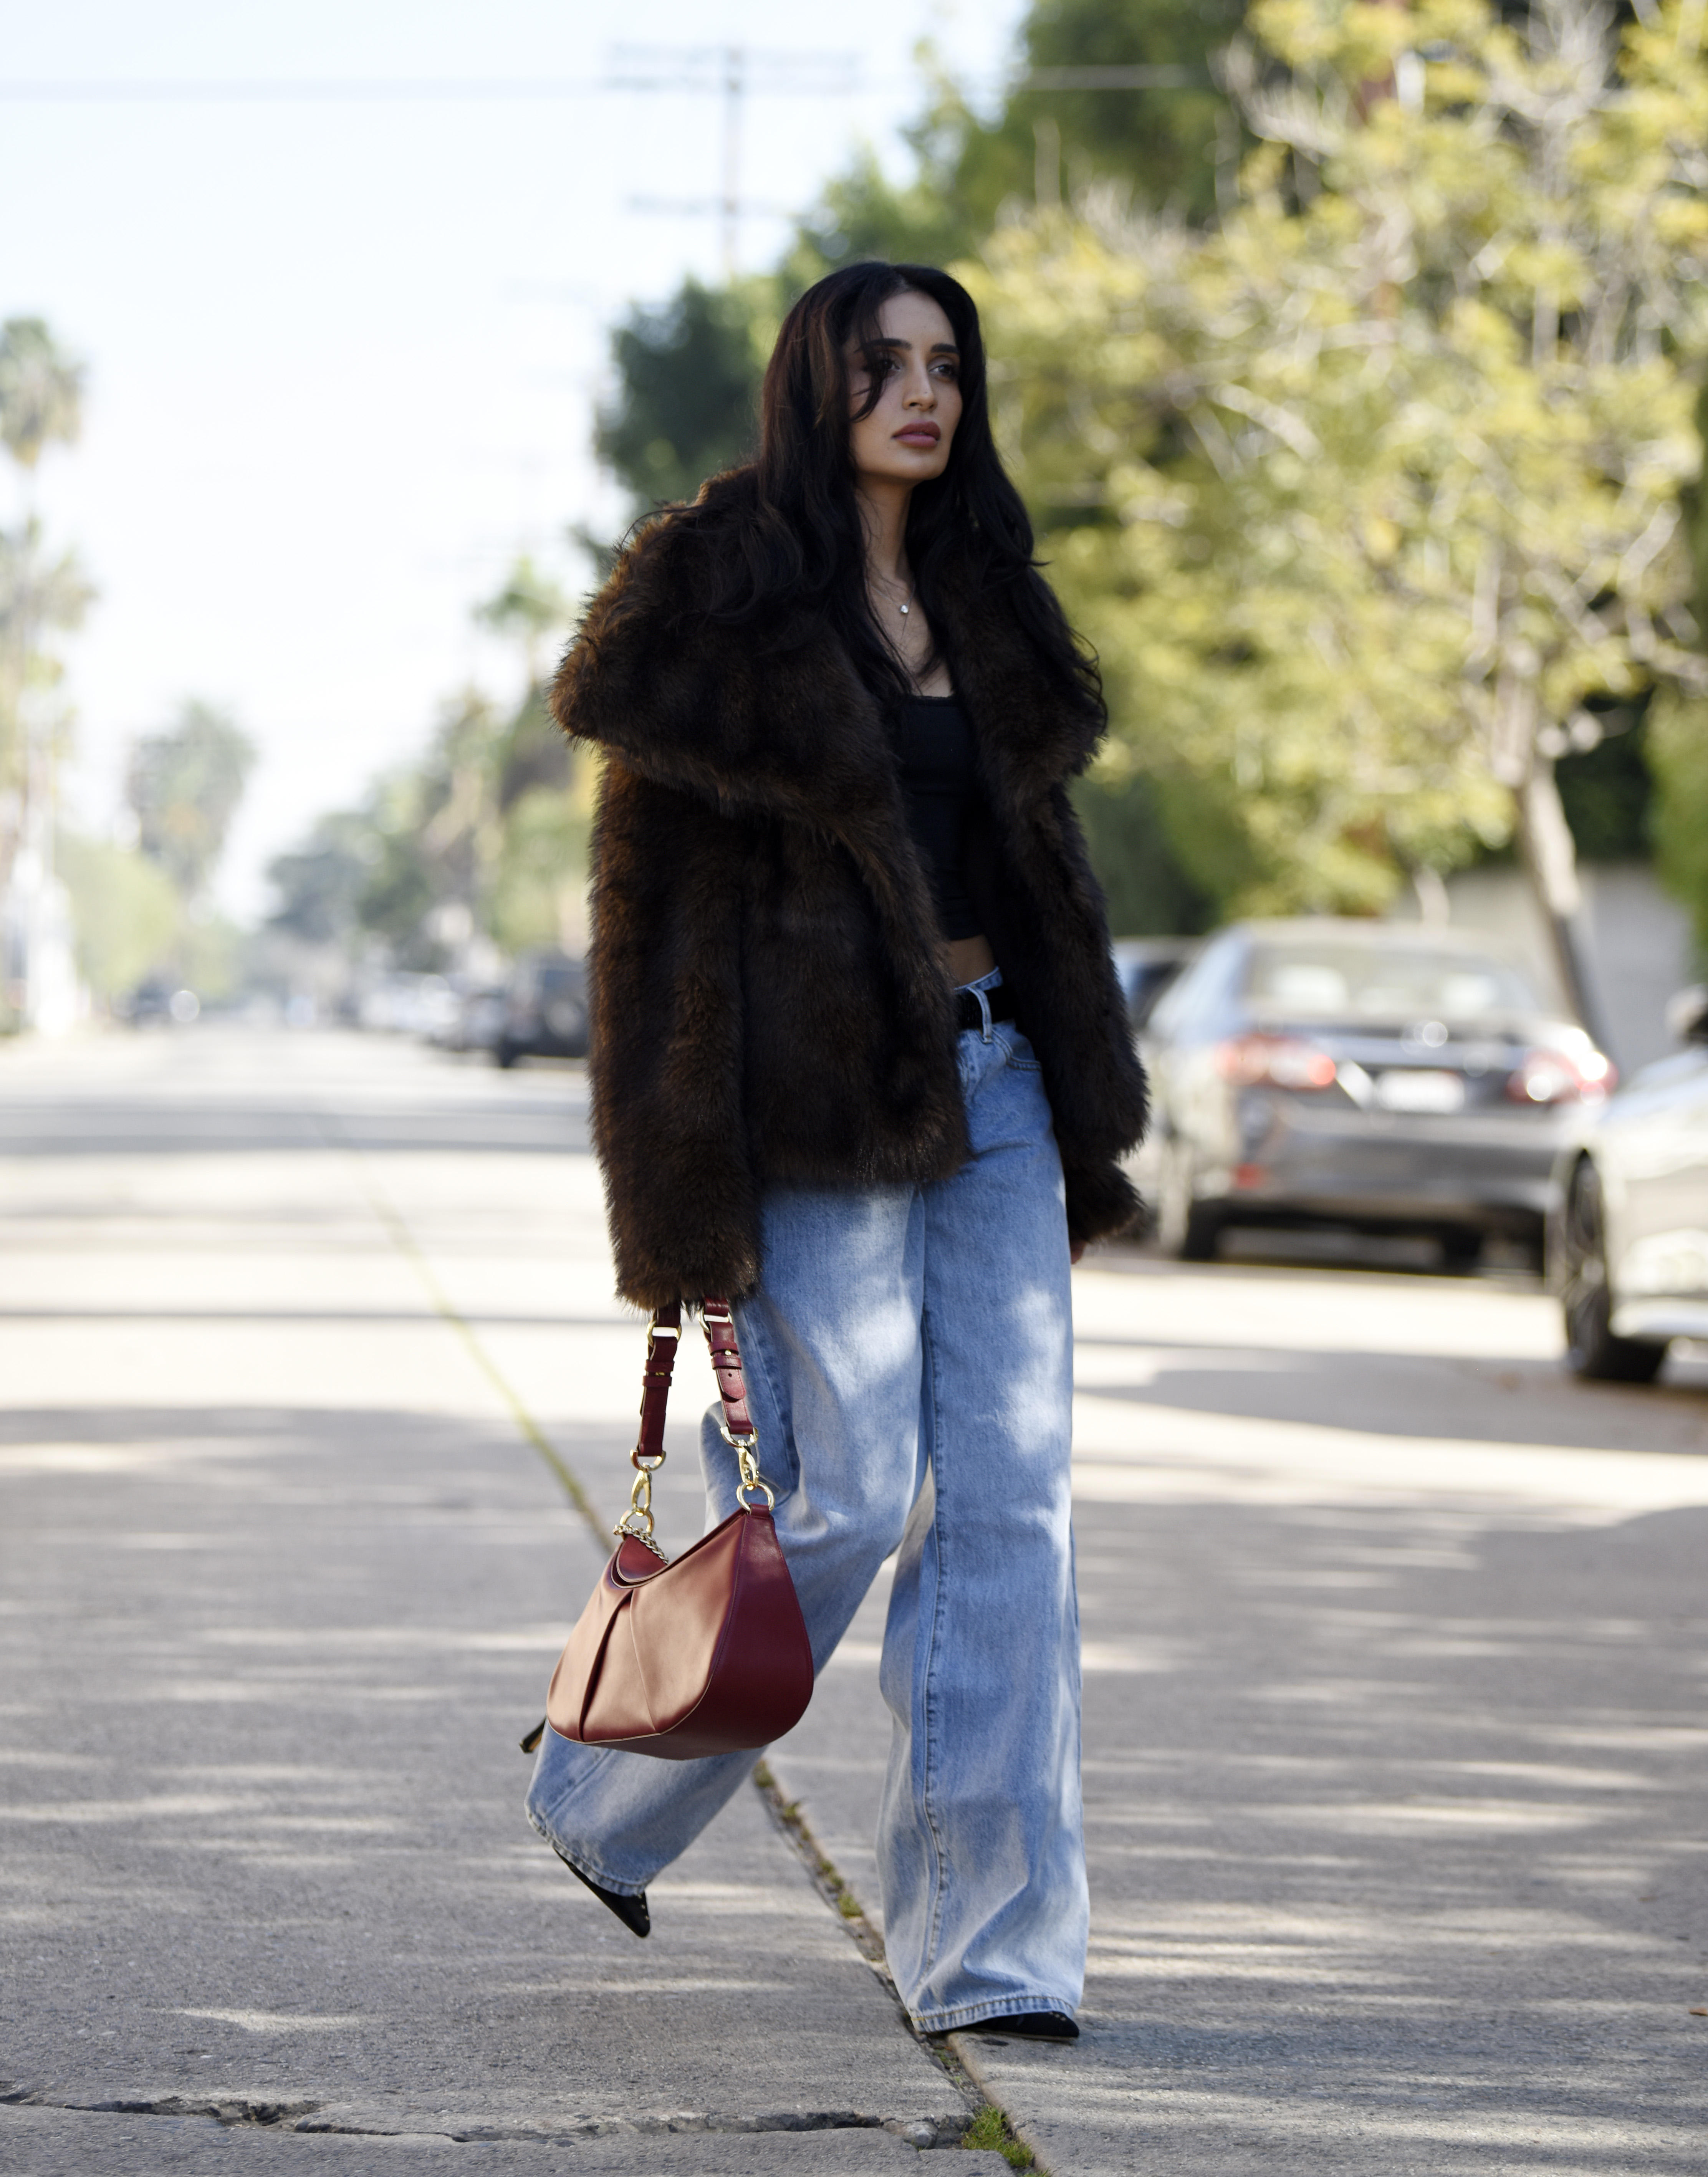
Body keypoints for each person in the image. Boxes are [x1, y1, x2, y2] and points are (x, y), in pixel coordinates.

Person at [526, 260, 1147, 2043]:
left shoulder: (986, 592)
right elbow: (648, 930)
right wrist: (673, 1197)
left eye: (946, 364)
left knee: (1014, 1508)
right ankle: (602, 1781)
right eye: (884, 364)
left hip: (1001, 1082)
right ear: (820, 385)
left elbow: (1044, 875)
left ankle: (992, 1953)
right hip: (809, 1106)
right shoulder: (716, 597)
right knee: (849, 1492)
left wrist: (1083, 1103)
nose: (921, 393)